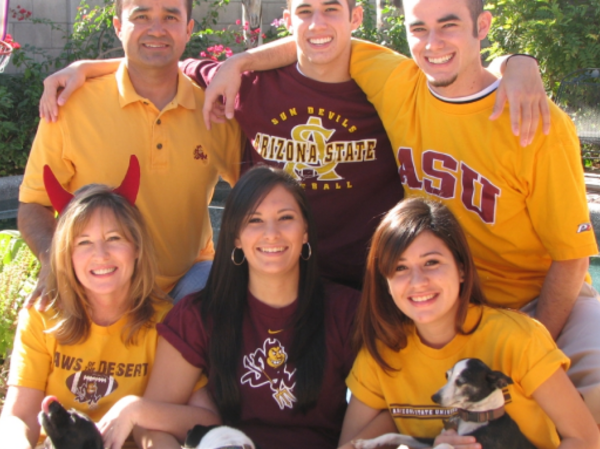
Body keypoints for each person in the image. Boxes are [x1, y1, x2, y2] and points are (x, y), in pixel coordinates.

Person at [38, 0, 547, 291]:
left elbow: (453, 69)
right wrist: (85, 69)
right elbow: (161, 66)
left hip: (374, 284)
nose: (318, 23)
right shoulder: (248, 86)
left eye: (332, 10)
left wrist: (518, 63)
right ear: (287, 18)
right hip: (274, 279)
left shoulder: (389, 80)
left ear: (355, 18)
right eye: (305, 10)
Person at [340, 0, 600, 428]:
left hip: (539, 302)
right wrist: (234, 65)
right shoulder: (399, 83)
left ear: (482, 25)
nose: (432, 42)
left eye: (449, 24)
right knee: (378, 403)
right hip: (439, 300)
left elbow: (571, 259)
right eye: (418, 28)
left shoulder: (537, 121)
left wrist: (529, 350)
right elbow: (317, 41)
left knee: (586, 413)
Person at [89, 166, 360, 449]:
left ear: (305, 231)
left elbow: (381, 411)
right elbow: (150, 427)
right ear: (235, 237)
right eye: (254, 220)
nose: (271, 233)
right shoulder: (197, 317)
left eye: (286, 218)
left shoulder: (347, 311)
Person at [18, 0, 242, 307]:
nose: (157, 28)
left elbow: (254, 196)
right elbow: (34, 202)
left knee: (222, 310)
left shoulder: (214, 111)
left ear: (188, 29)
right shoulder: (71, 106)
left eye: (170, 17)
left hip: (188, 278)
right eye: (142, 16)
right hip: (101, 282)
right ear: (118, 27)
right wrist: (50, 261)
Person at [338, 198, 600, 449]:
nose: (417, 281)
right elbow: (349, 446)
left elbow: (586, 440)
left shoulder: (518, 338)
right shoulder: (382, 353)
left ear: (462, 268)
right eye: (400, 268)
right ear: (385, 280)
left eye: (431, 262)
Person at [0, 159, 172, 449]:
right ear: (64, 254)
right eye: (83, 242)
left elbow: (200, 415)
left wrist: (136, 409)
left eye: (114, 238)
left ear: (137, 247)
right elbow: (19, 417)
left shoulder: (166, 322)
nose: (100, 254)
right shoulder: (42, 316)